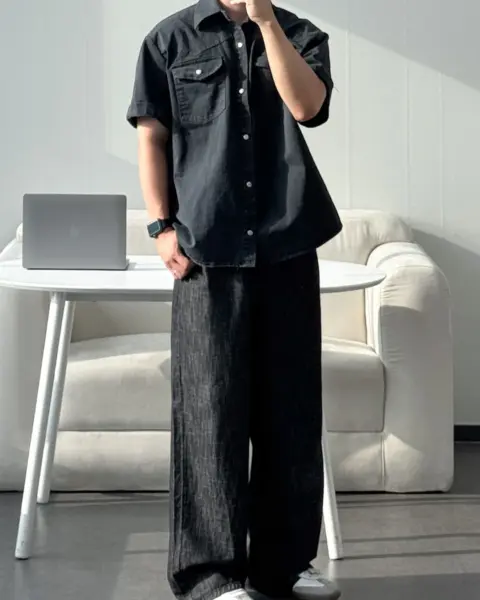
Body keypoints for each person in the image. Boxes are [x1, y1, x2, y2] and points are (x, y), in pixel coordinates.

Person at [127, 1, 342, 599]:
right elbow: (153, 135)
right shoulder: (169, 40)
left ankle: (284, 566)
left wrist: (267, 23)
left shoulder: (299, 33)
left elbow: (308, 107)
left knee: (291, 415)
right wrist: (160, 226)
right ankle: (211, 576)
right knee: (209, 414)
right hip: (207, 251)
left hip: (288, 246)